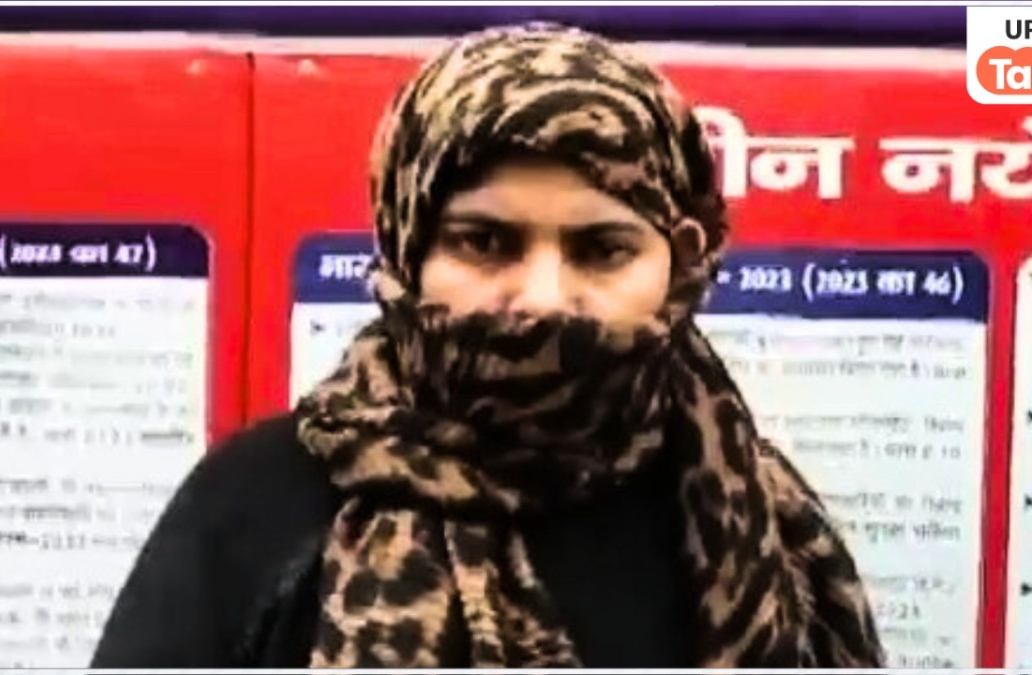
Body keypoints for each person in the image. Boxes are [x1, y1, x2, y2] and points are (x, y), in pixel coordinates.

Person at [91, 22, 886, 669]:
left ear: (678, 264)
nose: (541, 297)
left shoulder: (769, 524)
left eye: (603, 249)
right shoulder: (262, 503)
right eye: (483, 241)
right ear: (408, 250)